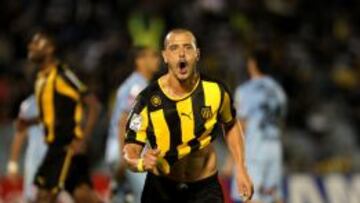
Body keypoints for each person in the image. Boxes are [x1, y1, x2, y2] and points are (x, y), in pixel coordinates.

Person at [122, 28, 253, 203]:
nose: (182, 54)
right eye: (174, 48)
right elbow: (130, 149)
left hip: (204, 187)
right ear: (165, 56)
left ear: (197, 54)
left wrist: (241, 168)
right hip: (162, 187)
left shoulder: (216, 91)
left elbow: (231, 124)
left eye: (188, 47)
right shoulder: (146, 100)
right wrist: (140, 163)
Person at [24, 31, 102, 203]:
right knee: (82, 194)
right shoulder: (40, 78)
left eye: (37, 43)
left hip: (66, 145)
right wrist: (29, 122)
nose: (31, 46)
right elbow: (52, 115)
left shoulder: (62, 75)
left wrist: (84, 139)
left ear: (50, 49)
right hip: (55, 145)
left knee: (43, 196)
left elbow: (93, 104)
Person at [228, 49, 287, 203]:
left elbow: (241, 125)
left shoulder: (246, 90)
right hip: (274, 148)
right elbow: (281, 122)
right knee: (273, 196)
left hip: (254, 149)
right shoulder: (279, 91)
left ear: (253, 64)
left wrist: (232, 159)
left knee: (249, 196)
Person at [105, 46, 160, 202]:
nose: (157, 59)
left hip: (121, 148)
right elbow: (124, 121)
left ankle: (116, 187)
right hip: (127, 149)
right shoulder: (137, 87)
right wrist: (126, 155)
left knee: (124, 198)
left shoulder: (135, 84)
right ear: (139, 61)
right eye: (153, 55)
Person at [7, 95, 48, 202]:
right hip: (34, 160)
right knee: (32, 198)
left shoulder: (63, 99)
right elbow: (20, 133)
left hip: (58, 158)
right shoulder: (29, 104)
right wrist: (13, 164)